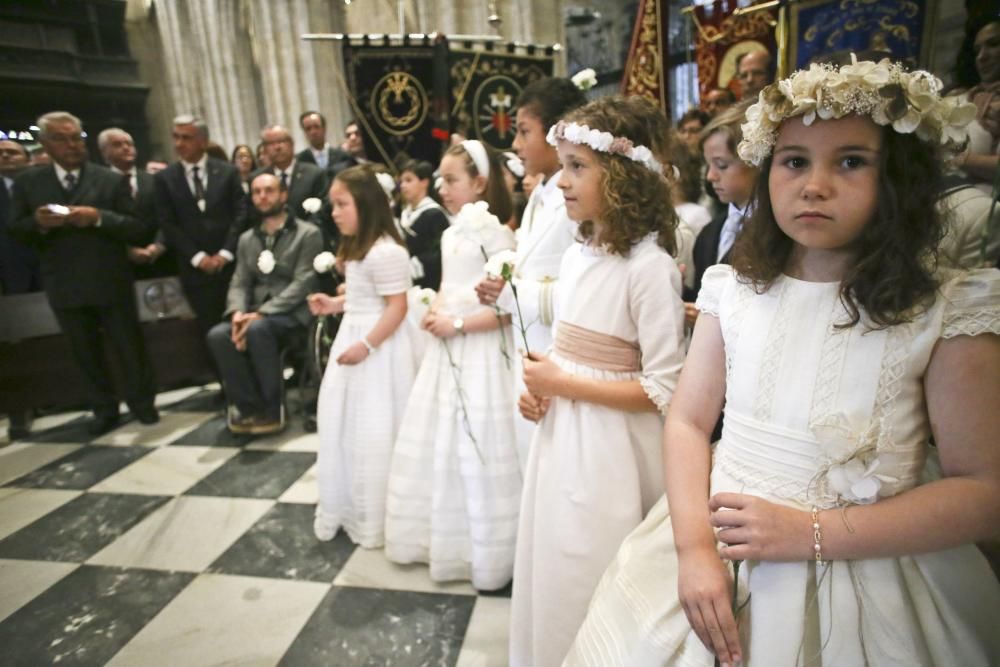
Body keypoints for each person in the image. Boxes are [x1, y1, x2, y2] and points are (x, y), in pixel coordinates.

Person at [564, 58, 1000, 667]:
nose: (814, 185)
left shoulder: (947, 310)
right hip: (719, 549)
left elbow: (982, 490)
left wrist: (810, 534)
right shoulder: (733, 290)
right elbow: (690, 422)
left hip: (866, 569)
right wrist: (692, 550)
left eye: (850, 161)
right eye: (795, 161)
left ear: (898, 177)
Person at [510, 96, 687, 667]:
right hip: (564, 434)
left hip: (613, 449)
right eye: (561, 164)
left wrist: (565, 384)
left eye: (577, 166)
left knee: (596, 563)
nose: (560, 180)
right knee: (556, 560)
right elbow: (567, 346)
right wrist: (541, 388)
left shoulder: (649, 267)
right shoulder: (581, 254)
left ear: (625, 176)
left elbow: (664, 389)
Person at [383, 140, 519, 591]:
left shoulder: (497, 235)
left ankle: (491, 551)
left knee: (478, 440)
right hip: (446, 346)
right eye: (440, 179)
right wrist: (435, 308)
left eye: (452, 179)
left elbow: (506, 310)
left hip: (480, 348)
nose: (443, 188)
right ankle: (443, 538)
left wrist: (458, 323)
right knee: (442, 441)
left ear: (479, 183)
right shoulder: (449, 232)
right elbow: (446, 285)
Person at [9, 111, 158, 435]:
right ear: (46, 143)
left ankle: (143, 403)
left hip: (109, 277)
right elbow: (15, 231)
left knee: (129, 347)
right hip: (64, 281)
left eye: (77, 137)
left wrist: (99, 217)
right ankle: (104, 409)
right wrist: (37, 223)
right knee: (84, 352)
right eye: (62, 139)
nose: (72, 145)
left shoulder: (108, 179)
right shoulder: (29, 183)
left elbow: (138, 228)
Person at [475, 76, 587, 472]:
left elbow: (588, 287)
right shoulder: (540, 194)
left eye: (524, 132)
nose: (517, 145)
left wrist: (510, 293)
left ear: (558, 133)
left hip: (561, 352)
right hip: (530, 343)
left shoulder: (575, 200)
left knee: (556, 463)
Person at [310, 165, 419, 547]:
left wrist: (367, 345)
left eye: (342, 204)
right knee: (347, 423)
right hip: (356, 335)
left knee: (378, 422)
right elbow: (363, 298)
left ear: (366, 205)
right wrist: (334, 304)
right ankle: (353, 501)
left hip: (379, 348)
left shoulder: (386, 251)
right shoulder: (359, 248)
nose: (334, 212)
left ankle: (381, 509)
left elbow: (396, 307)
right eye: (333, 205)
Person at [206, 172, 322, 434]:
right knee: (218, 335)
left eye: (269, 190)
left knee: (259, 330)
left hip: (295, 314)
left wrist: (261, 315)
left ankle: (272, 408)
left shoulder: (308, 233)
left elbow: (303, 283)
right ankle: (248, 407)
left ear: (283, 195)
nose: (262, 196)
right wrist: (237, 312)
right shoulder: (247, 239)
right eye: (257, 191)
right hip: (255, 315)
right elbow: (240, 282)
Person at [155, 115, 247, 340]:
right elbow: (168, 223)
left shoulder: (227, 172)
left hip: (232, 267)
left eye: (186, 138)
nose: (179, 144)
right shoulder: (165, 179)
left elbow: (241, 214)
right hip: (195, 270)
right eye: (176, 137)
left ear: (203, 141)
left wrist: (225, 253)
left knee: (241, 326)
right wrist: (198, 258)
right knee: (211, 331)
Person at [684, 102, 758, 310]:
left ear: (757, 162)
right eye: (708, 165)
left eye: (722, 165)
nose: (710, 176)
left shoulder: (778, 234)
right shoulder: (710, 233)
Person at [98, 128, 167, 275]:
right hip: (118, 265)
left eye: (129, 144)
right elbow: (100, 225)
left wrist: (159, 245)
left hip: (159, 261)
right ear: (104, 152)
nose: (126, 148)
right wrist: (127, 251)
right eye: (117, 144)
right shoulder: (99, 184)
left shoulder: (154, 181)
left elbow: (167, 216)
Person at [255, 125, 328, 221]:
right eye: (271, 143)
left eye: (281, 141)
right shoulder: (257, 178)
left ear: (292, 144)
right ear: (264, 149)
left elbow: (324, 209)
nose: (277, 147)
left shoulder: (314, 174)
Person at [397, 159, 449, 290]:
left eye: (408, 180)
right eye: (401, 181)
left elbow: (440, 252)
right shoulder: (404, 214)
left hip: (429, 283)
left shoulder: (435, 214)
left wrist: (416, 264)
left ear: (424, 182)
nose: (403, 185)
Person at [0, 139, 40, 294]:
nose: (5, 156)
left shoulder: (47, 187)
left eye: (12, 152)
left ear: (28, 159)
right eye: (0, 153)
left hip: (49, 268)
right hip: (8, 273)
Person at [297, 111, 354, 178]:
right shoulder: (299, 160)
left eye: (316, 127)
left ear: (324, 128)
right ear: (304, 132)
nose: (313, 132)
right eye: (308, 129)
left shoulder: (342, 156)